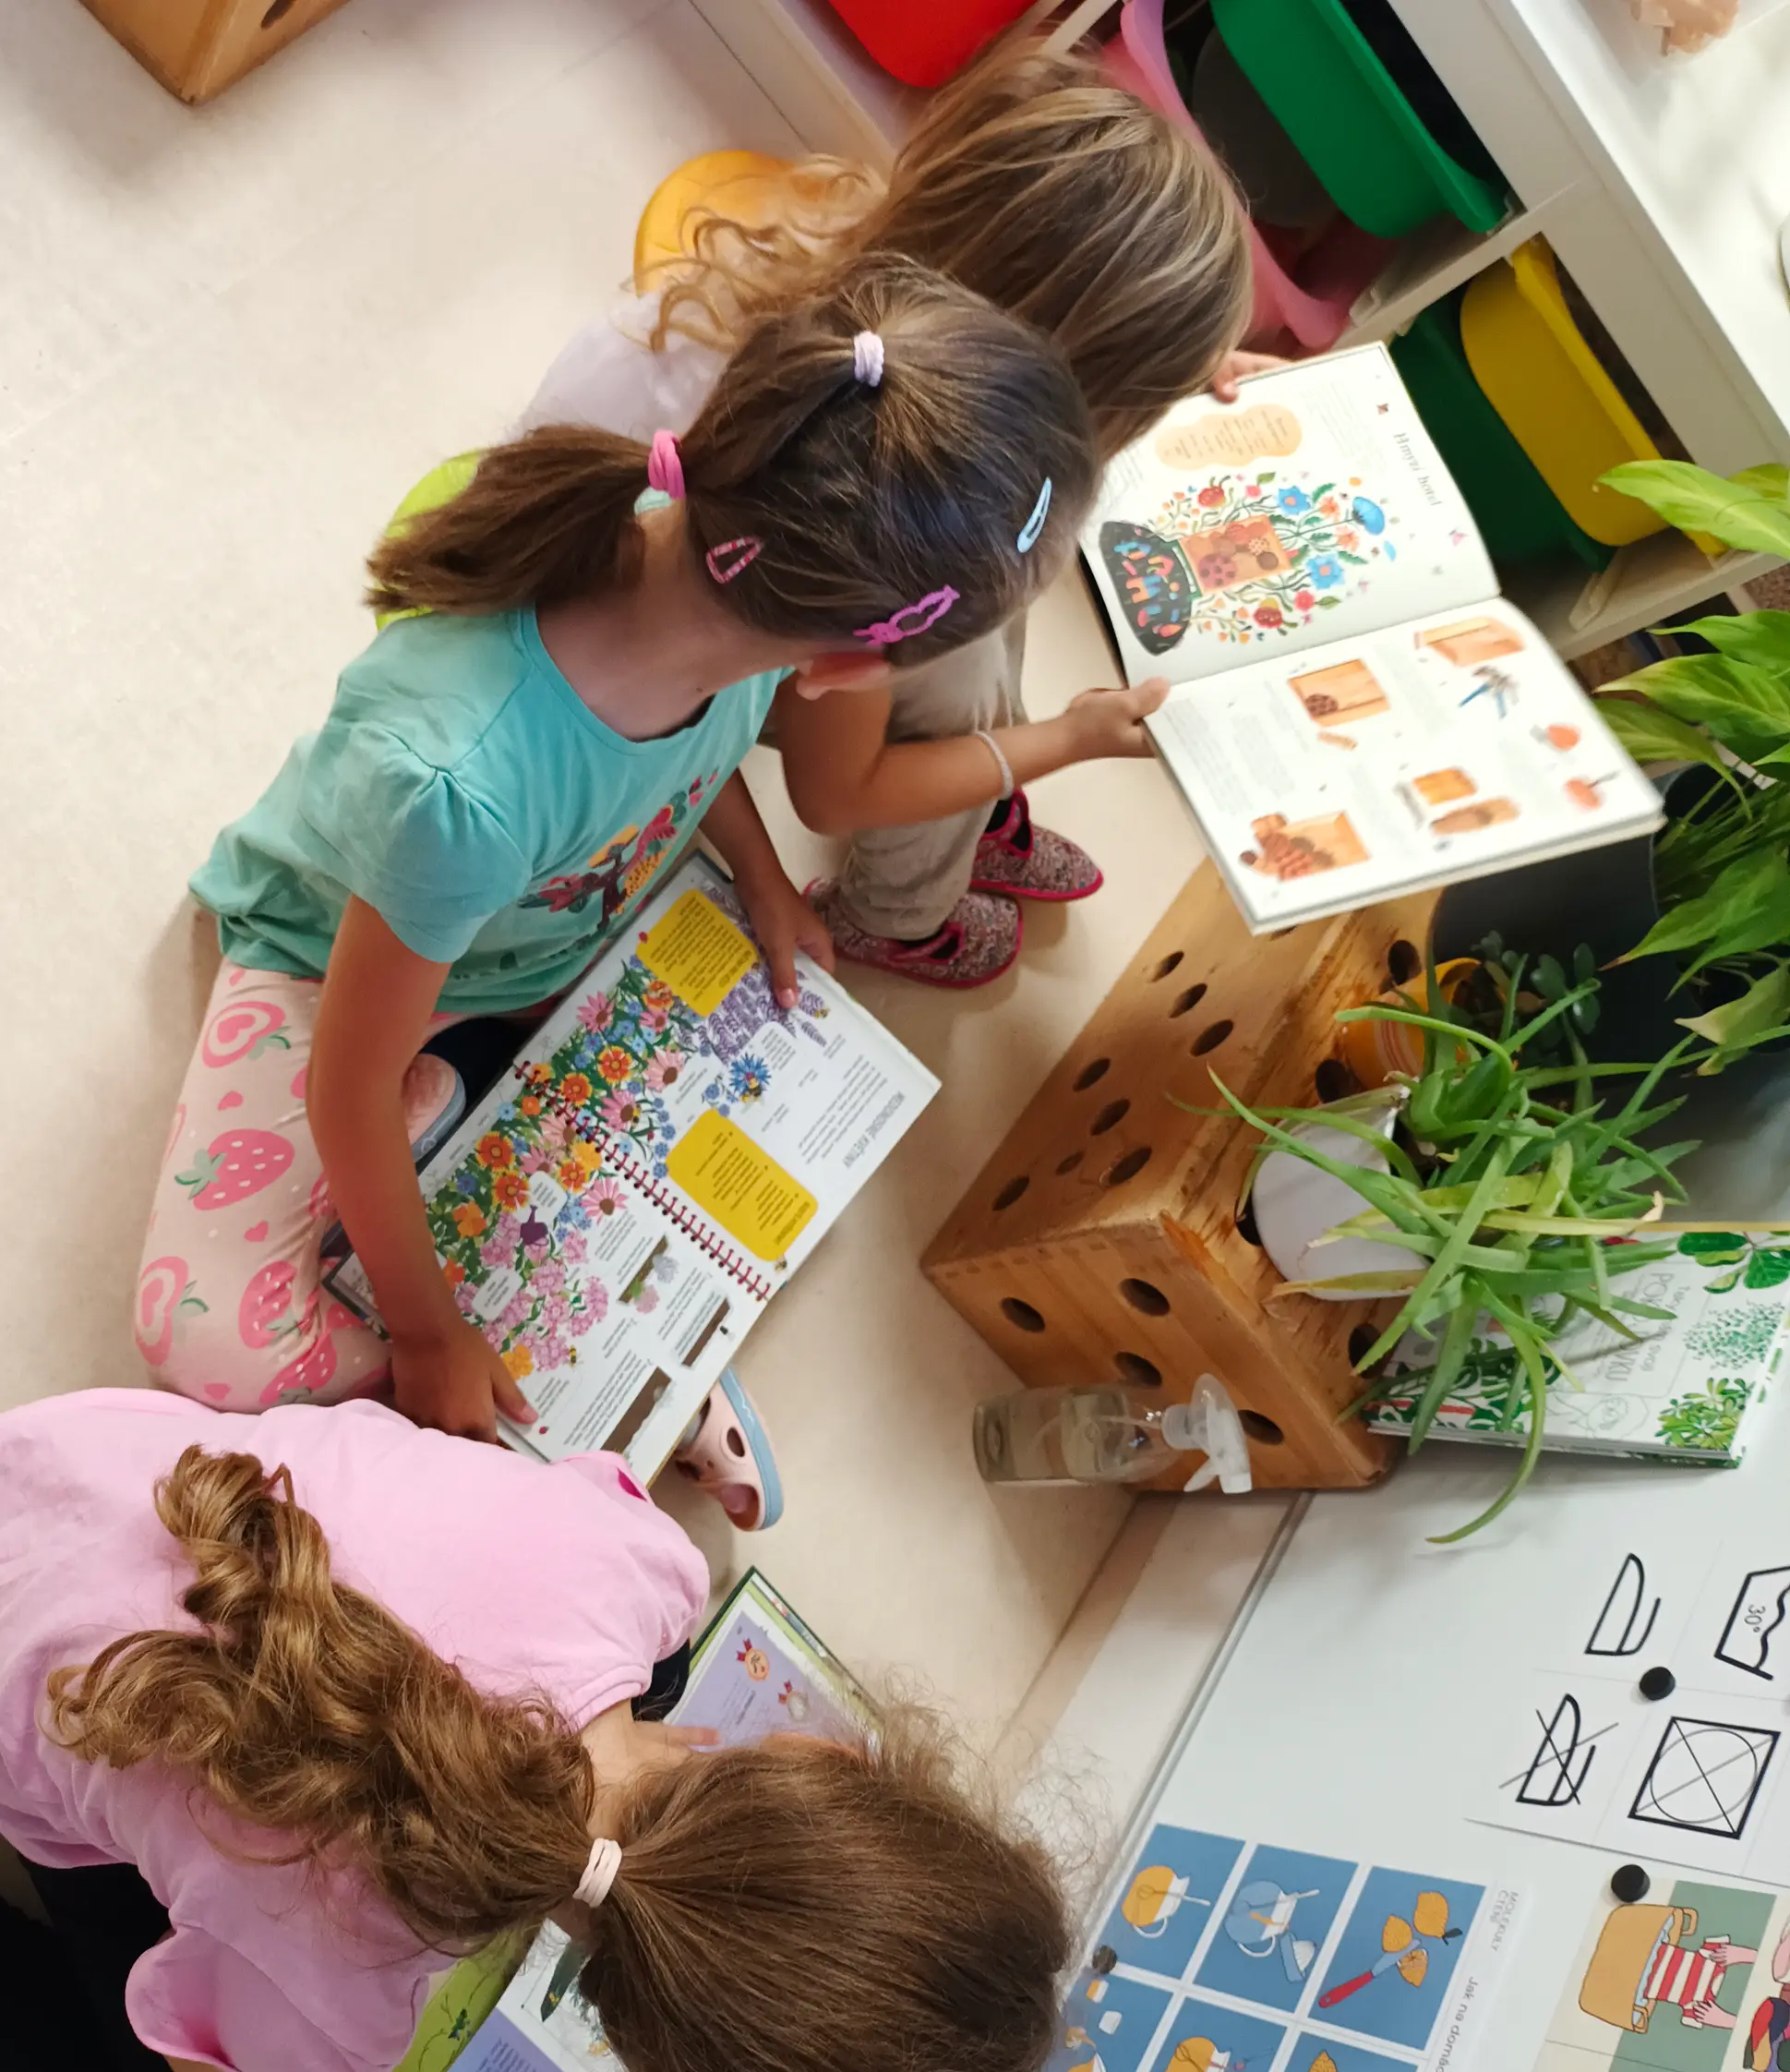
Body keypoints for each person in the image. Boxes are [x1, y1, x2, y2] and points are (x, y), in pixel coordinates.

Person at [138, 255, 1097, 1442]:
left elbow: (689, 759)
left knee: (697, 1108)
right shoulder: (460, 791)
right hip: (327, 955)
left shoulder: (719, 571)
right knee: (203, 1339)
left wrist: (762, 878)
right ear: (850, 667)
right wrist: (427, 1336)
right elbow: (347, 1088)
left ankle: (516, 1240)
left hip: (551, 918)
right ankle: (522, 1324)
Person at [0, 1390, 1072, 2072]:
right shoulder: (343, 1983)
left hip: (88, 1459)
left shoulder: (642, 1560)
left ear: (821, 1753)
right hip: (51, 1702)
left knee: (657, 1662)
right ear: (635, 2046)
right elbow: (197, 2047)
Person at [523, 41, 1265, 987]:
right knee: (967, 657)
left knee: (987, 608)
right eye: (1124, 410)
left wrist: (1180, 362)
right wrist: (1061, 742)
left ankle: (975, 792)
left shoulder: (871, 343)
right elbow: (833, 794)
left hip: (661, 573)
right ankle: (897, 918)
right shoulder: (870, 509)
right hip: (659, 643)